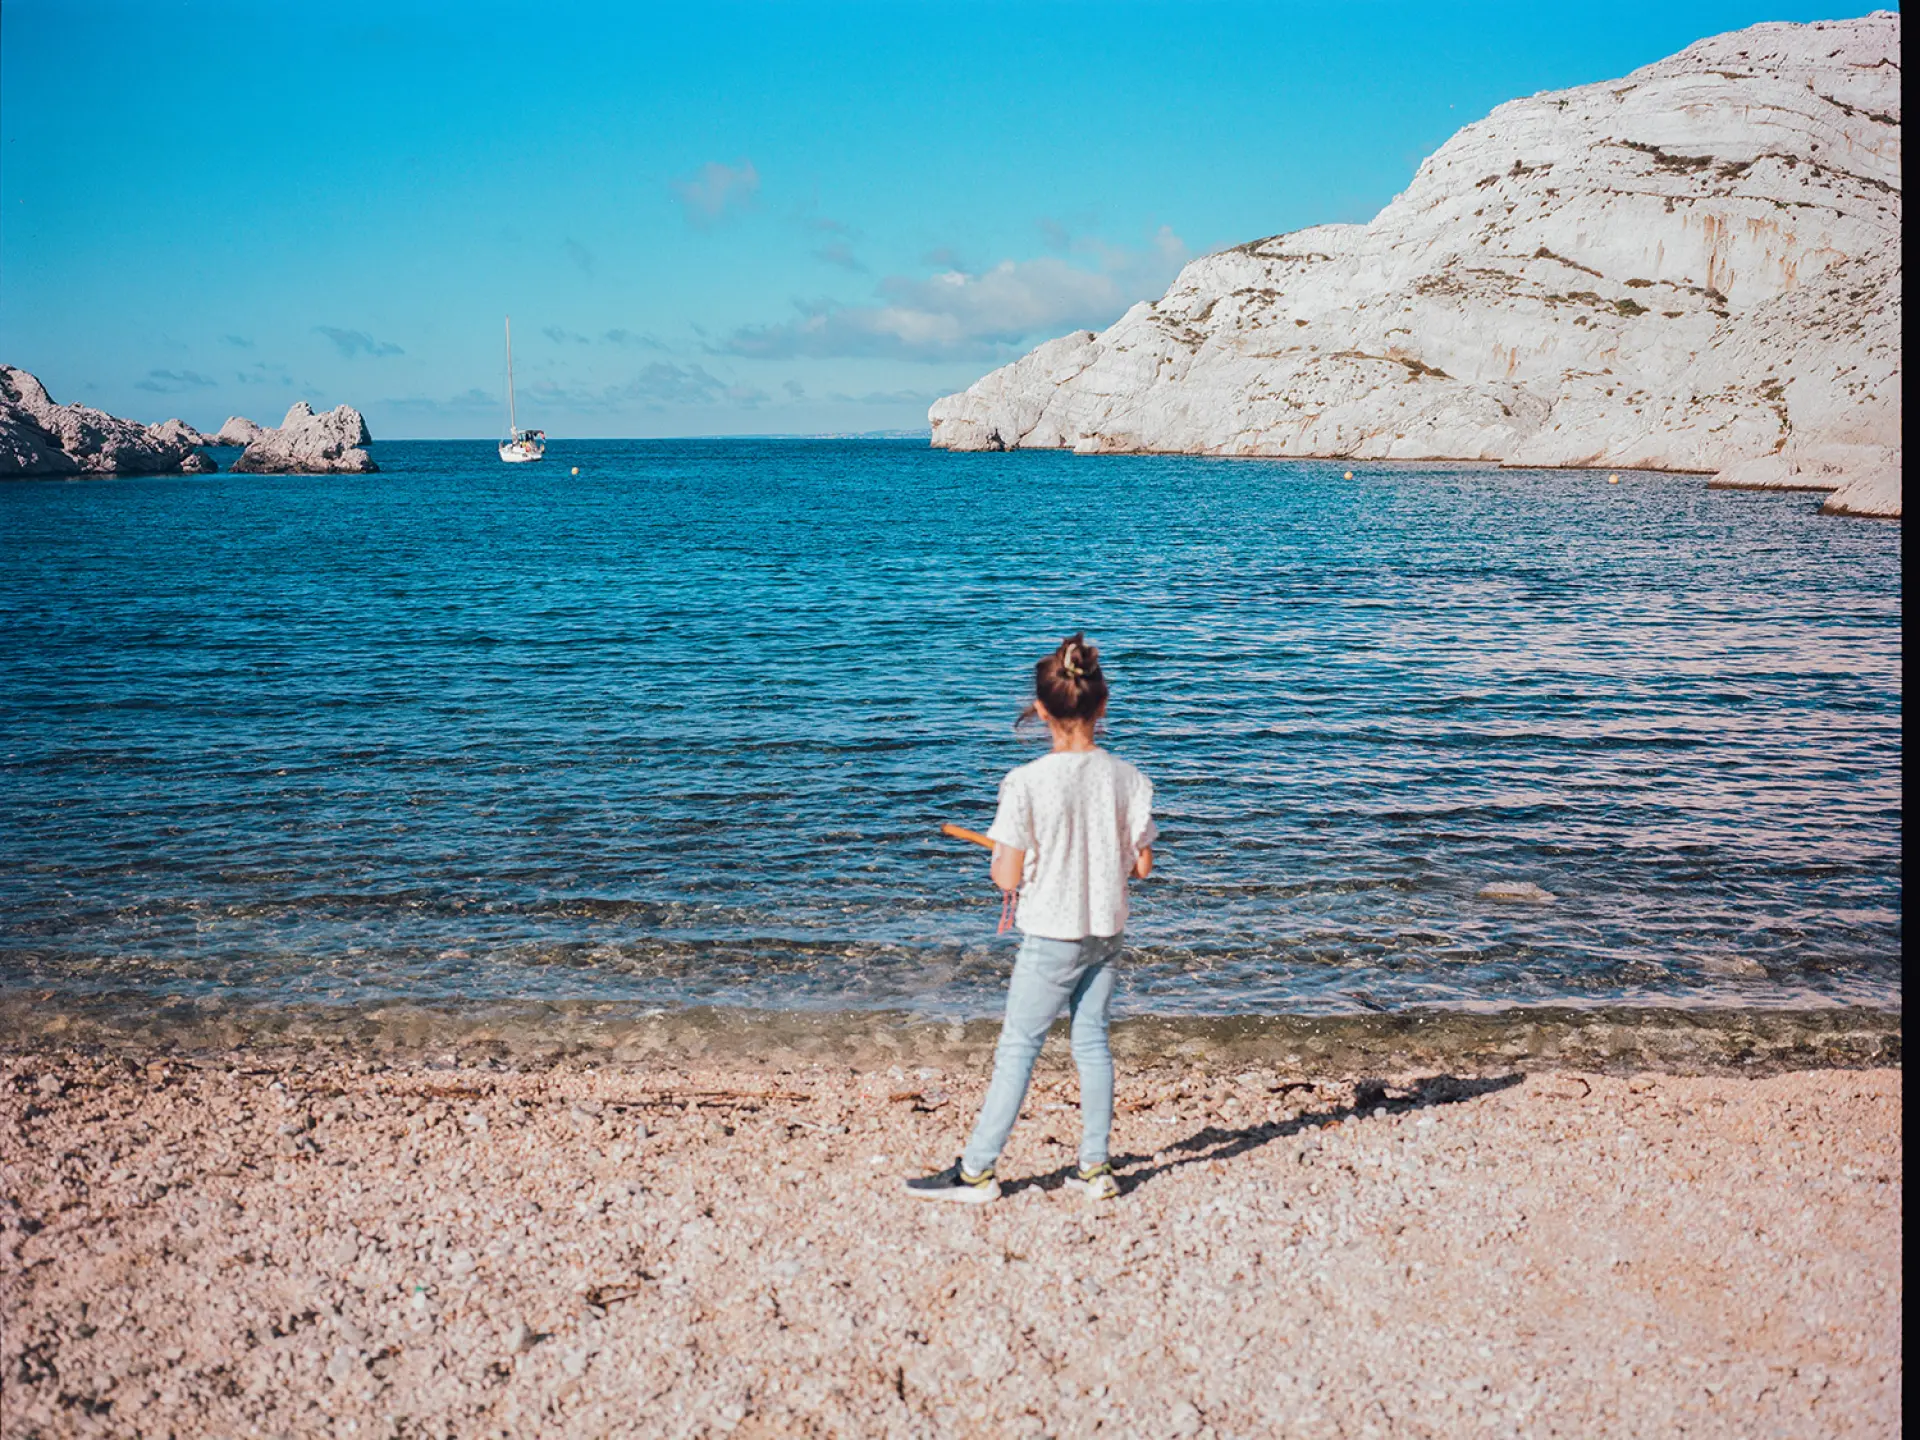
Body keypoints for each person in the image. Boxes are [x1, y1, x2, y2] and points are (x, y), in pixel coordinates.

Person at [907, 634, 1156, 1204]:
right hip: (1106, 930)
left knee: (1019, 1047)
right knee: (1091, 1042)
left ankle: (976, 1173)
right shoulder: (1130, 779)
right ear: (1102, 704)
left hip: (1052, 935)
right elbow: (1142, 866)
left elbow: (1007, 878)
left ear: (1041, 710)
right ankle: (1095, 1169)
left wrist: (1004, 855)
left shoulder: (1026, 782)